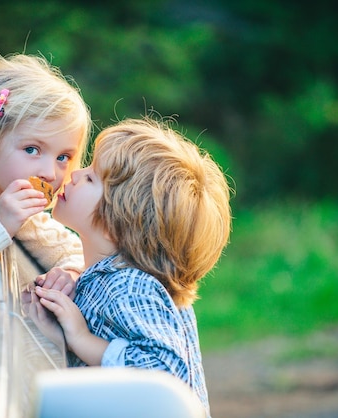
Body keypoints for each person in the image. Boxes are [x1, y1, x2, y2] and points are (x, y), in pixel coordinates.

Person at [26, 117, 232, 417]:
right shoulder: (106, 277)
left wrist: (82, 340)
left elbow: (166, 375)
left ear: (118, 222)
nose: (75, 173)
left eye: (92, 178)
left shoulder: (130, 286)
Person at [0, 50, 92, 319]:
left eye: (63, 157)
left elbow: (76, 252)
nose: (49, 173)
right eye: (32, 149)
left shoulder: (23, 214)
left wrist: (68, 273)